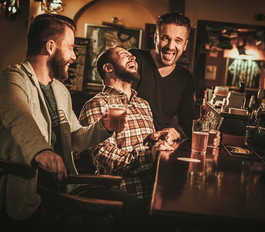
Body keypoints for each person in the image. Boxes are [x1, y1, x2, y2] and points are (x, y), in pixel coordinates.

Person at [0, 14, 127, 232]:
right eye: (70, 47)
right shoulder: (12, 78)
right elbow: (19, 117)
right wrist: (42, 151)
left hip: (65, 188)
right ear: (51, 47)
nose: (74, 57)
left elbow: (75, 140)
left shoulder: (60, 90)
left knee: (129, 210)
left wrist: (102, 128)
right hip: (27, 194)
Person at [79, 45, 180, 209]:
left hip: (156, 190)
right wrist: (150, 156)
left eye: (132, 56)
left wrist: (160, 137)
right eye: (124, 55)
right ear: (108, 67)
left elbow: (143, 145)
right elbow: (104, 154)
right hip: (124, 196)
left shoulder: (143, 104)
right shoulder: (99, 104)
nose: (133, 57)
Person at [129, 12, 196, 138]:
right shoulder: (135, 59)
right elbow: (117, 103)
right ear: (156, 38)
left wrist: (209, 136)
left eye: (178, 40)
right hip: (126, 140)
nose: (170, 46)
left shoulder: (186, 79)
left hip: (157, 145)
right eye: (165, 38)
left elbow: (187, 121)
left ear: (185, 45)